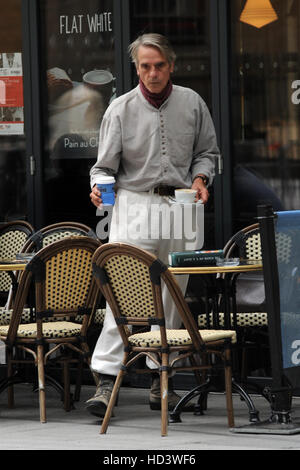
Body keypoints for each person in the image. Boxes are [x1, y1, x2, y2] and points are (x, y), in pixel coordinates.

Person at [86, 33, 220, 418]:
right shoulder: (120, 109)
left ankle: (159, 376)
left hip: (181, 206)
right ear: (136, 68)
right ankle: (106, 379)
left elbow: (207, 152)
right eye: (145, 66)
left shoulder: (192, 102)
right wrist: (97, 188)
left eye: (160, 65)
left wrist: (200, 179)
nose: (153, 73)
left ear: (172, 65)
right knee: (125, 294)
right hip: (134, 205)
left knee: (172, 297)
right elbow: (102, 168)